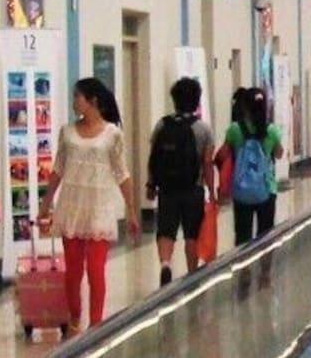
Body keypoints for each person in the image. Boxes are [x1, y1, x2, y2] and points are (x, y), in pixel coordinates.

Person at [40, 78, 138, 332]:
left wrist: (131, 210)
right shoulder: (67, 132)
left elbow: (122, 173)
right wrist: (45, 205)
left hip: (99, 208)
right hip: (72, 207)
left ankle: (96, 325)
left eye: (77, 96)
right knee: (73, 271)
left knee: (95, 269)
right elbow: (58, 169)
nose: (74, 101)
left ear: (92, 100)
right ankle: (75, 317)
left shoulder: (112, 134)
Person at [147, 78, 214, 286]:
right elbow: (207, 163)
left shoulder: (162, 125)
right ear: (197, 101)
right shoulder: (203, 129)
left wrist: (151, 185)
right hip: (193, 188)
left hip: (167, 189)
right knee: (191, 233)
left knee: (166, 230)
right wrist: (212, 190)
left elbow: (154, 158)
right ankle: (192, 275)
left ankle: (166, 264)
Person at [222, 89, 284, 244]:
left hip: (241, 188)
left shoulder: (235, 129)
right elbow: (279, 154)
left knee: (242, 236)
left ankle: (244, 261)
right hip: (267, 188)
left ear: (245, 107)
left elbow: (222, 155)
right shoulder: (272, 130)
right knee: (266, 236)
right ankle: (265, 261)